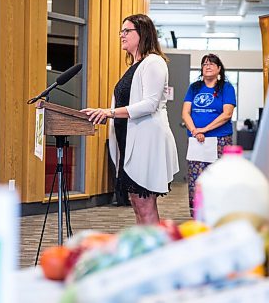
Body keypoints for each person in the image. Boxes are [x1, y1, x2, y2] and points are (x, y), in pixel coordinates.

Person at [81, 14, 179, 225]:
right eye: (121, 31)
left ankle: (155, 253)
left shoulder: (154, 62)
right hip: (131, 141)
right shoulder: (135, 66)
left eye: (127, 31)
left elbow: (150, 104)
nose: (121, 35)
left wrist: (110, 112)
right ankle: (145, 251)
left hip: (146, 142)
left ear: (142, 33)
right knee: (137, 204)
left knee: (145, 205)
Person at [181, 53, 236, 217]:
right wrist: (194, 131)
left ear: (219, 69)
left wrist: (203, 130)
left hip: (219, 140)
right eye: (205, 64)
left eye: (212, 63)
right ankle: (197, 214)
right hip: (196, 140)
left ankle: (219, 214)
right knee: (196, 179)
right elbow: (185, 112)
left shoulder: (226, 88)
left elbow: (227, 114)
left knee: (218, 178)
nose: (208, 66)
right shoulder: (194, 87)